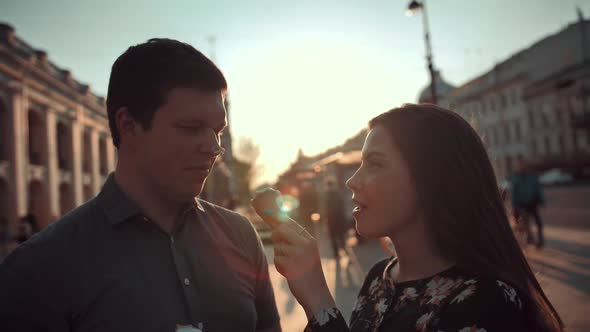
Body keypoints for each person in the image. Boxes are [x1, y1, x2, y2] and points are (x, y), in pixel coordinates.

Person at [0, 38, 280, 332]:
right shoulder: (38, 268)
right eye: (191, 128)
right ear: (128, 125)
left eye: (217, 131)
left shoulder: (242, 236)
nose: (214, 148)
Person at [266, 104, 563, 331]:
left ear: (431, 179)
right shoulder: (380, 278)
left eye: (375, 164)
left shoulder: (488, 301)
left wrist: (319, 299)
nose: (351, 182)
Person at [509, 159, 545, 248]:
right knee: (525, 222)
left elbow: (537, 189)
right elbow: (514, 193)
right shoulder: (515, 177)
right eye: (520, 166)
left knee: (538, 223)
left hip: (532, 203)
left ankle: (539, 240)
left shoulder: (532, 176)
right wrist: (514, 206)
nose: (522, 167)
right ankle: (530, 239)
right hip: (522, 205)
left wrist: (541, 200)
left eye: (523, 165)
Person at [324, 180, 347, 259]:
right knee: (341, 235)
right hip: (339, 217)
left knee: (333, 236)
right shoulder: (338, 193)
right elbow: (342, 206)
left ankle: (336, 253)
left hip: (331, 218)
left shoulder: (326, 195)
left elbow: (325, 209)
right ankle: (344, 248)